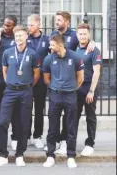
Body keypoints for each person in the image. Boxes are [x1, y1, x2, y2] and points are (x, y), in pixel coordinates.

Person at [48, 11, 96, 153]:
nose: (56, 22)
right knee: (69, 116)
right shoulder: (53, 35)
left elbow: (85, 40)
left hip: (82, 84)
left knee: (89, 116)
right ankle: (62, 142)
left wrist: (92, 42)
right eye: (55, 19)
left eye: (59, 20)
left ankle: (89, 144)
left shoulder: (74, 36)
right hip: (65, 83)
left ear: (67, 22)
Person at [0, 25, 40, 167]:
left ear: (26, 37)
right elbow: (5, 71)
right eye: (16, 36)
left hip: (25, 91)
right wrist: (11, 84)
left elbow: (36, 74)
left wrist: (27, 85)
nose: (18, 38)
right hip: (10, 91)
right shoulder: (7, 52)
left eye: (21, 35)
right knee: (2, 122)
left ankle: (20, 154)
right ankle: (2, 155)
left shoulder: (32, 54)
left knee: (23, 124)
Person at [42, 34, 84, 168]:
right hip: (55, 95)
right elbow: (46, 78)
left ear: (60, 45)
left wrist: (71, 88)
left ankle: (71, 156)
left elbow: (80, 78)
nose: (50, 47)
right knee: (52, 127)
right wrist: (56, 88)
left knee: (71, 127)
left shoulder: (75, 57)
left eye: (52, 45)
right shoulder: (48, 58)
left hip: (70, 96)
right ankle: (50, 155)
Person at [0, 15, 19, 150]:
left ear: (14, 26)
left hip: (14, 79)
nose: (5, 27)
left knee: (15, 110)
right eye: (4, 24)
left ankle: (15, 137)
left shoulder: (18, 38)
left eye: (9, 25)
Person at [74, 23, 102, 156]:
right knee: (74, 115)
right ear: (77, 35)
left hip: (90, 87)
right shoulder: (75, 48)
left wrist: (91, 90)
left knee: (90, 116)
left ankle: (90, 144)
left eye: (85, 34)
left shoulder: (94, 50)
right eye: (80, 34)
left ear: (89, 35)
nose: (83, 36)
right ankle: (70, 142)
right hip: (77, 87)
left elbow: (97, 72)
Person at [25, 14, 50, 149]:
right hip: (26, 79)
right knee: (26, 108)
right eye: (28, 24)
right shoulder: (25, 37)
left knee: (39, 109)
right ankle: (27, 134)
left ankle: (37, 135)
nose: (29, 27)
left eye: (32, 24)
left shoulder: (47, 39)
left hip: (40, 80)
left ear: (38, 25)